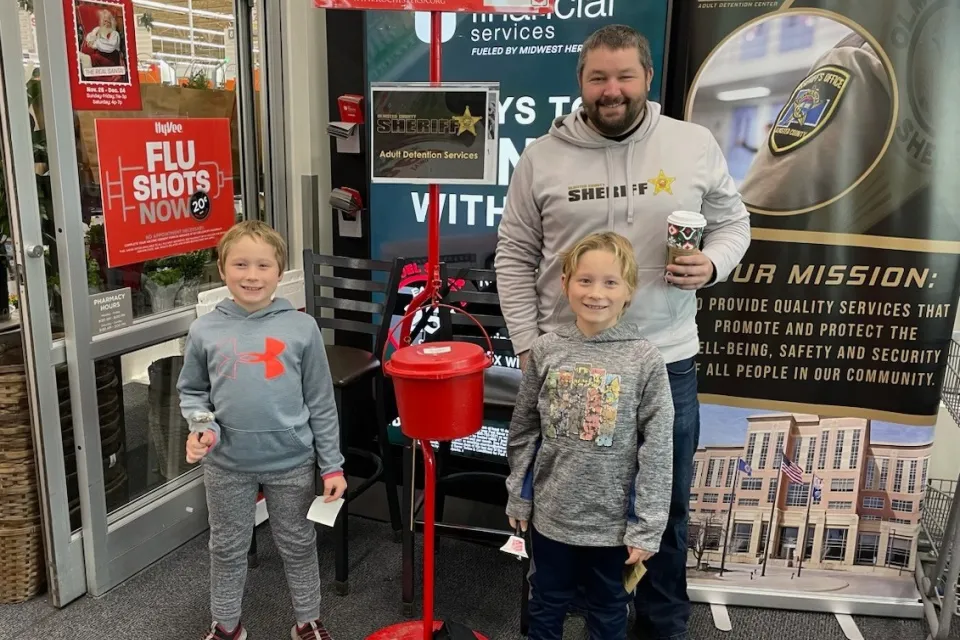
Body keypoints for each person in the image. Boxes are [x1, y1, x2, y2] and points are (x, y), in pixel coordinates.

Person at [495, 24, 751, 640]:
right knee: (565, 501)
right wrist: (530, 345)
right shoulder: (543, 157)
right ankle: (563, 616)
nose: (612, 90)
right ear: (581, 83)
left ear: (647, 78)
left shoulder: (691, 145)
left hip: (664, 360)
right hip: (570, 365)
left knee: (664, 508)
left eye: (624, 76)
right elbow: (513, 253)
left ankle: (660, 627)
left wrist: (714, 263)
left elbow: (733, 223)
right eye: (598, 78)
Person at [178, 220, 347, 640]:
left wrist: (332, 466)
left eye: (263, 266)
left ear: (279, 272)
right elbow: (193, 391)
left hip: (290, 460)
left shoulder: (302, 329)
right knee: (227, 548)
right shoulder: (204, 331)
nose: (251, 275)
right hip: (226, 463)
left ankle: (308, 620)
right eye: (240, 264)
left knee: (297, 543)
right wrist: (201, 427)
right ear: (222, 269)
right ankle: (226, 626)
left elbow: (322, 403)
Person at [505, 231, 674, 640]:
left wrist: (648, 526)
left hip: (613, 528)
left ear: (628, 290)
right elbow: (525, 428)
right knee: (545, 604)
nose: (596, 293)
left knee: (608, 610)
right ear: (565, 283)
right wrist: (518, 493)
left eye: (610, 282)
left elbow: (658, 450)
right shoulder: (546, 350)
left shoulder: (645, 359)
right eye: (585, 280)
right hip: (551, 519)